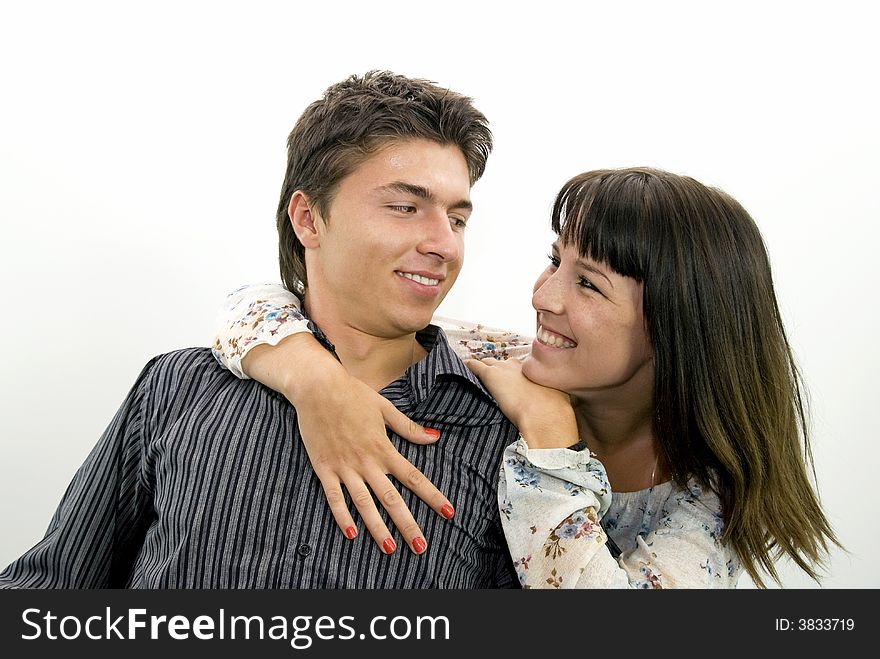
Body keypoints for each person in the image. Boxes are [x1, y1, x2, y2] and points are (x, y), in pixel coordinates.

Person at [1, 70, 598, 589]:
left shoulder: (512, 439)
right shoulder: (177, 386)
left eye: (458, 217)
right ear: (309, 218)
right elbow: (50, 590)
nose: (442, 243)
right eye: (404, 206)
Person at [211, 167, 841, 588]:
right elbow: (257, 305)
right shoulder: (500, 358)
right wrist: (318, 386)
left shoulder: (708, 507)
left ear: (676, 330)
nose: (543, 297)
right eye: (553, 261)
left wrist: (549, 436)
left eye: (588, 284)